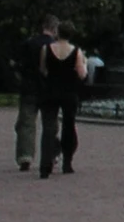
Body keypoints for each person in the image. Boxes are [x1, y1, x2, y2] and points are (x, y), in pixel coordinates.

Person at [38, 21, 88, 178]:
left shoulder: (46, 49)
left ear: (57, 32)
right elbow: (82, 74)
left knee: (48, 128)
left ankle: (45, 165)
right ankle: (67, 162)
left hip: (51, 90)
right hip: (69, 92)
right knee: (68, 125)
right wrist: (84, 64)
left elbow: (43, 70)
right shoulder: (76, 51)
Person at [16, 13, 58, 170]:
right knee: (50, 124)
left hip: (29, 88)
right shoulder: (55, 47)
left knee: (26, 124)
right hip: (48, 89)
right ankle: (51, 155)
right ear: (55, 29)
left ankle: (25, 156)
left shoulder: (29, 43)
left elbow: (20, 64)